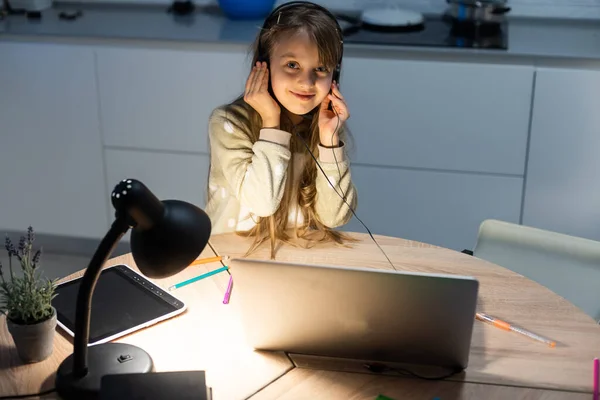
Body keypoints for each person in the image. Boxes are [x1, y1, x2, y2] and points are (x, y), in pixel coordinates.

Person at [205, 1, 357, 257]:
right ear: (263, 66)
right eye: (292, 65)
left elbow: (334, 217)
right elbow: (262, 204)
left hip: (297, 257)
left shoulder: (325, 127)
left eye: (320, 69)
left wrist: (330, 142)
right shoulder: (228, 122)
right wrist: (271, 124)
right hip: (229, 258)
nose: (307, 82)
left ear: (334, 76)